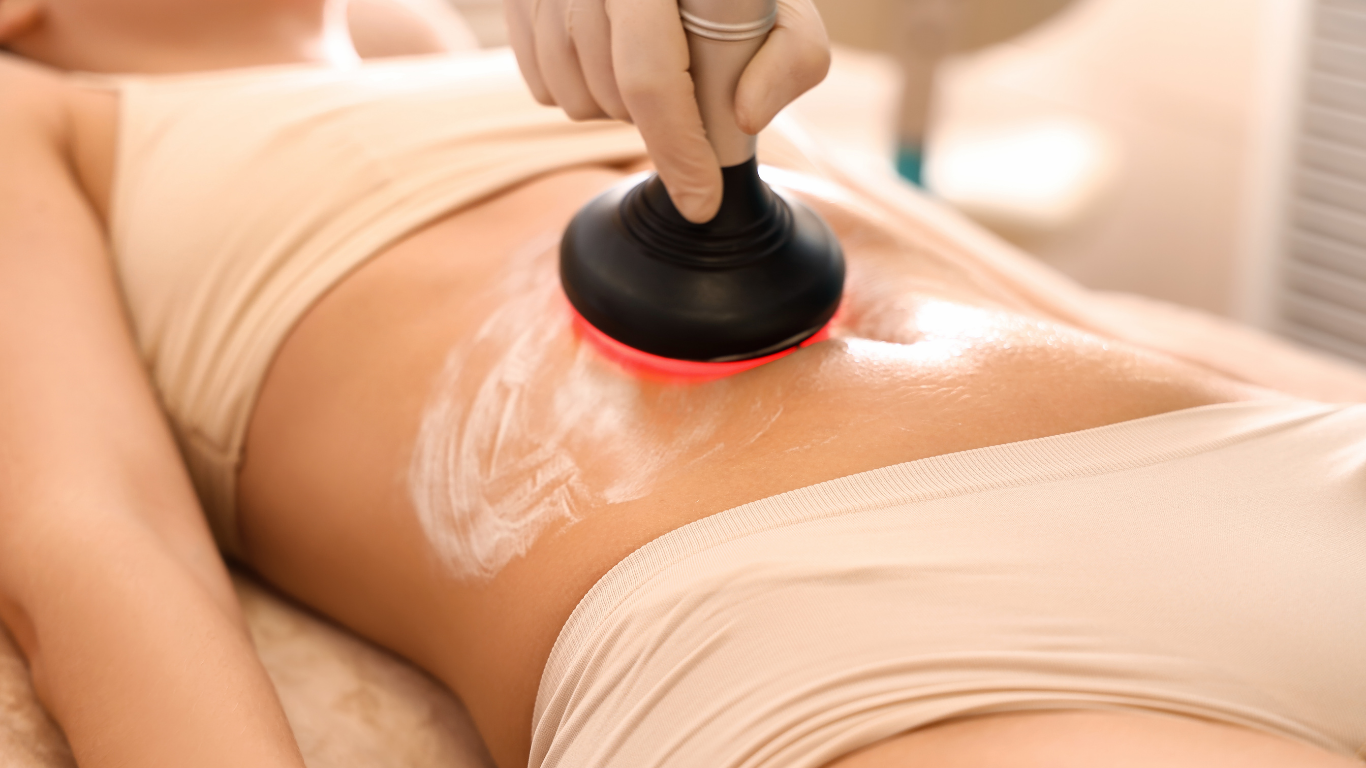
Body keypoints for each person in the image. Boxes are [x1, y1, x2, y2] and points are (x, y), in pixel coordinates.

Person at [0, 1, 1362, 767]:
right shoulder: (39, 115)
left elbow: (1074, 308)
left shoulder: (477, 41)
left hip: (1236, 469)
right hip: (816, 624)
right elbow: (92, 538)